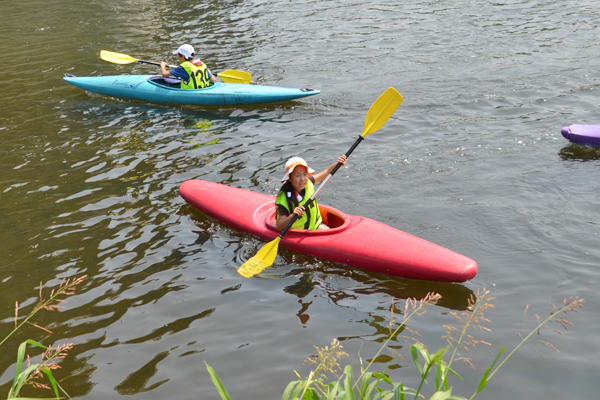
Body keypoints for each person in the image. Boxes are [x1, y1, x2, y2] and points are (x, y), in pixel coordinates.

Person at [275, 155, 347, 231]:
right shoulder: (284, 198)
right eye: (298, 175)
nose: (302, 179)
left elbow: (328, 172)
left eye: (305, 174)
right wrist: (292, 216)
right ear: (289, 178)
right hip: (297, 233)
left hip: (316, 226)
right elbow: (279, 226)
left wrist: (338, 164)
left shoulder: (309, 181)